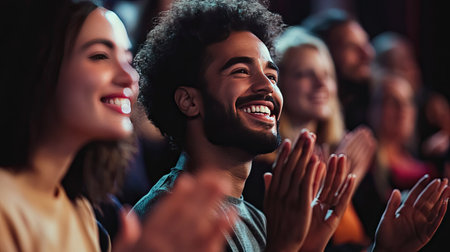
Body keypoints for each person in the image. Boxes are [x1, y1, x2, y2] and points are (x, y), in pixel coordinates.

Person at [133, 0, 449, 251]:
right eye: (241, 71)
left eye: (272, 75)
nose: (267, 87)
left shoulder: (255, 217)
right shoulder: (168, 218)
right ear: (190, 101)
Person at [0, 1, 236, 251]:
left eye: (127, 58)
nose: (130, 77)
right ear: (39, 67)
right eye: (100, 56)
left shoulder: (79, 210)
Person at [244, 26, 376, 250]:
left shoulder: (344, 153)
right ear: (277, 84)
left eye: (327, 75)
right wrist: (336, 190)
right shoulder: (261, 168)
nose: (321, 84)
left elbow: (370, 235)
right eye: (305, 74)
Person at [303, 9, 375, 130]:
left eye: (366, 43)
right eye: (352, 46)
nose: (367, 54)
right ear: (324, 51)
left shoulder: (372, 104)